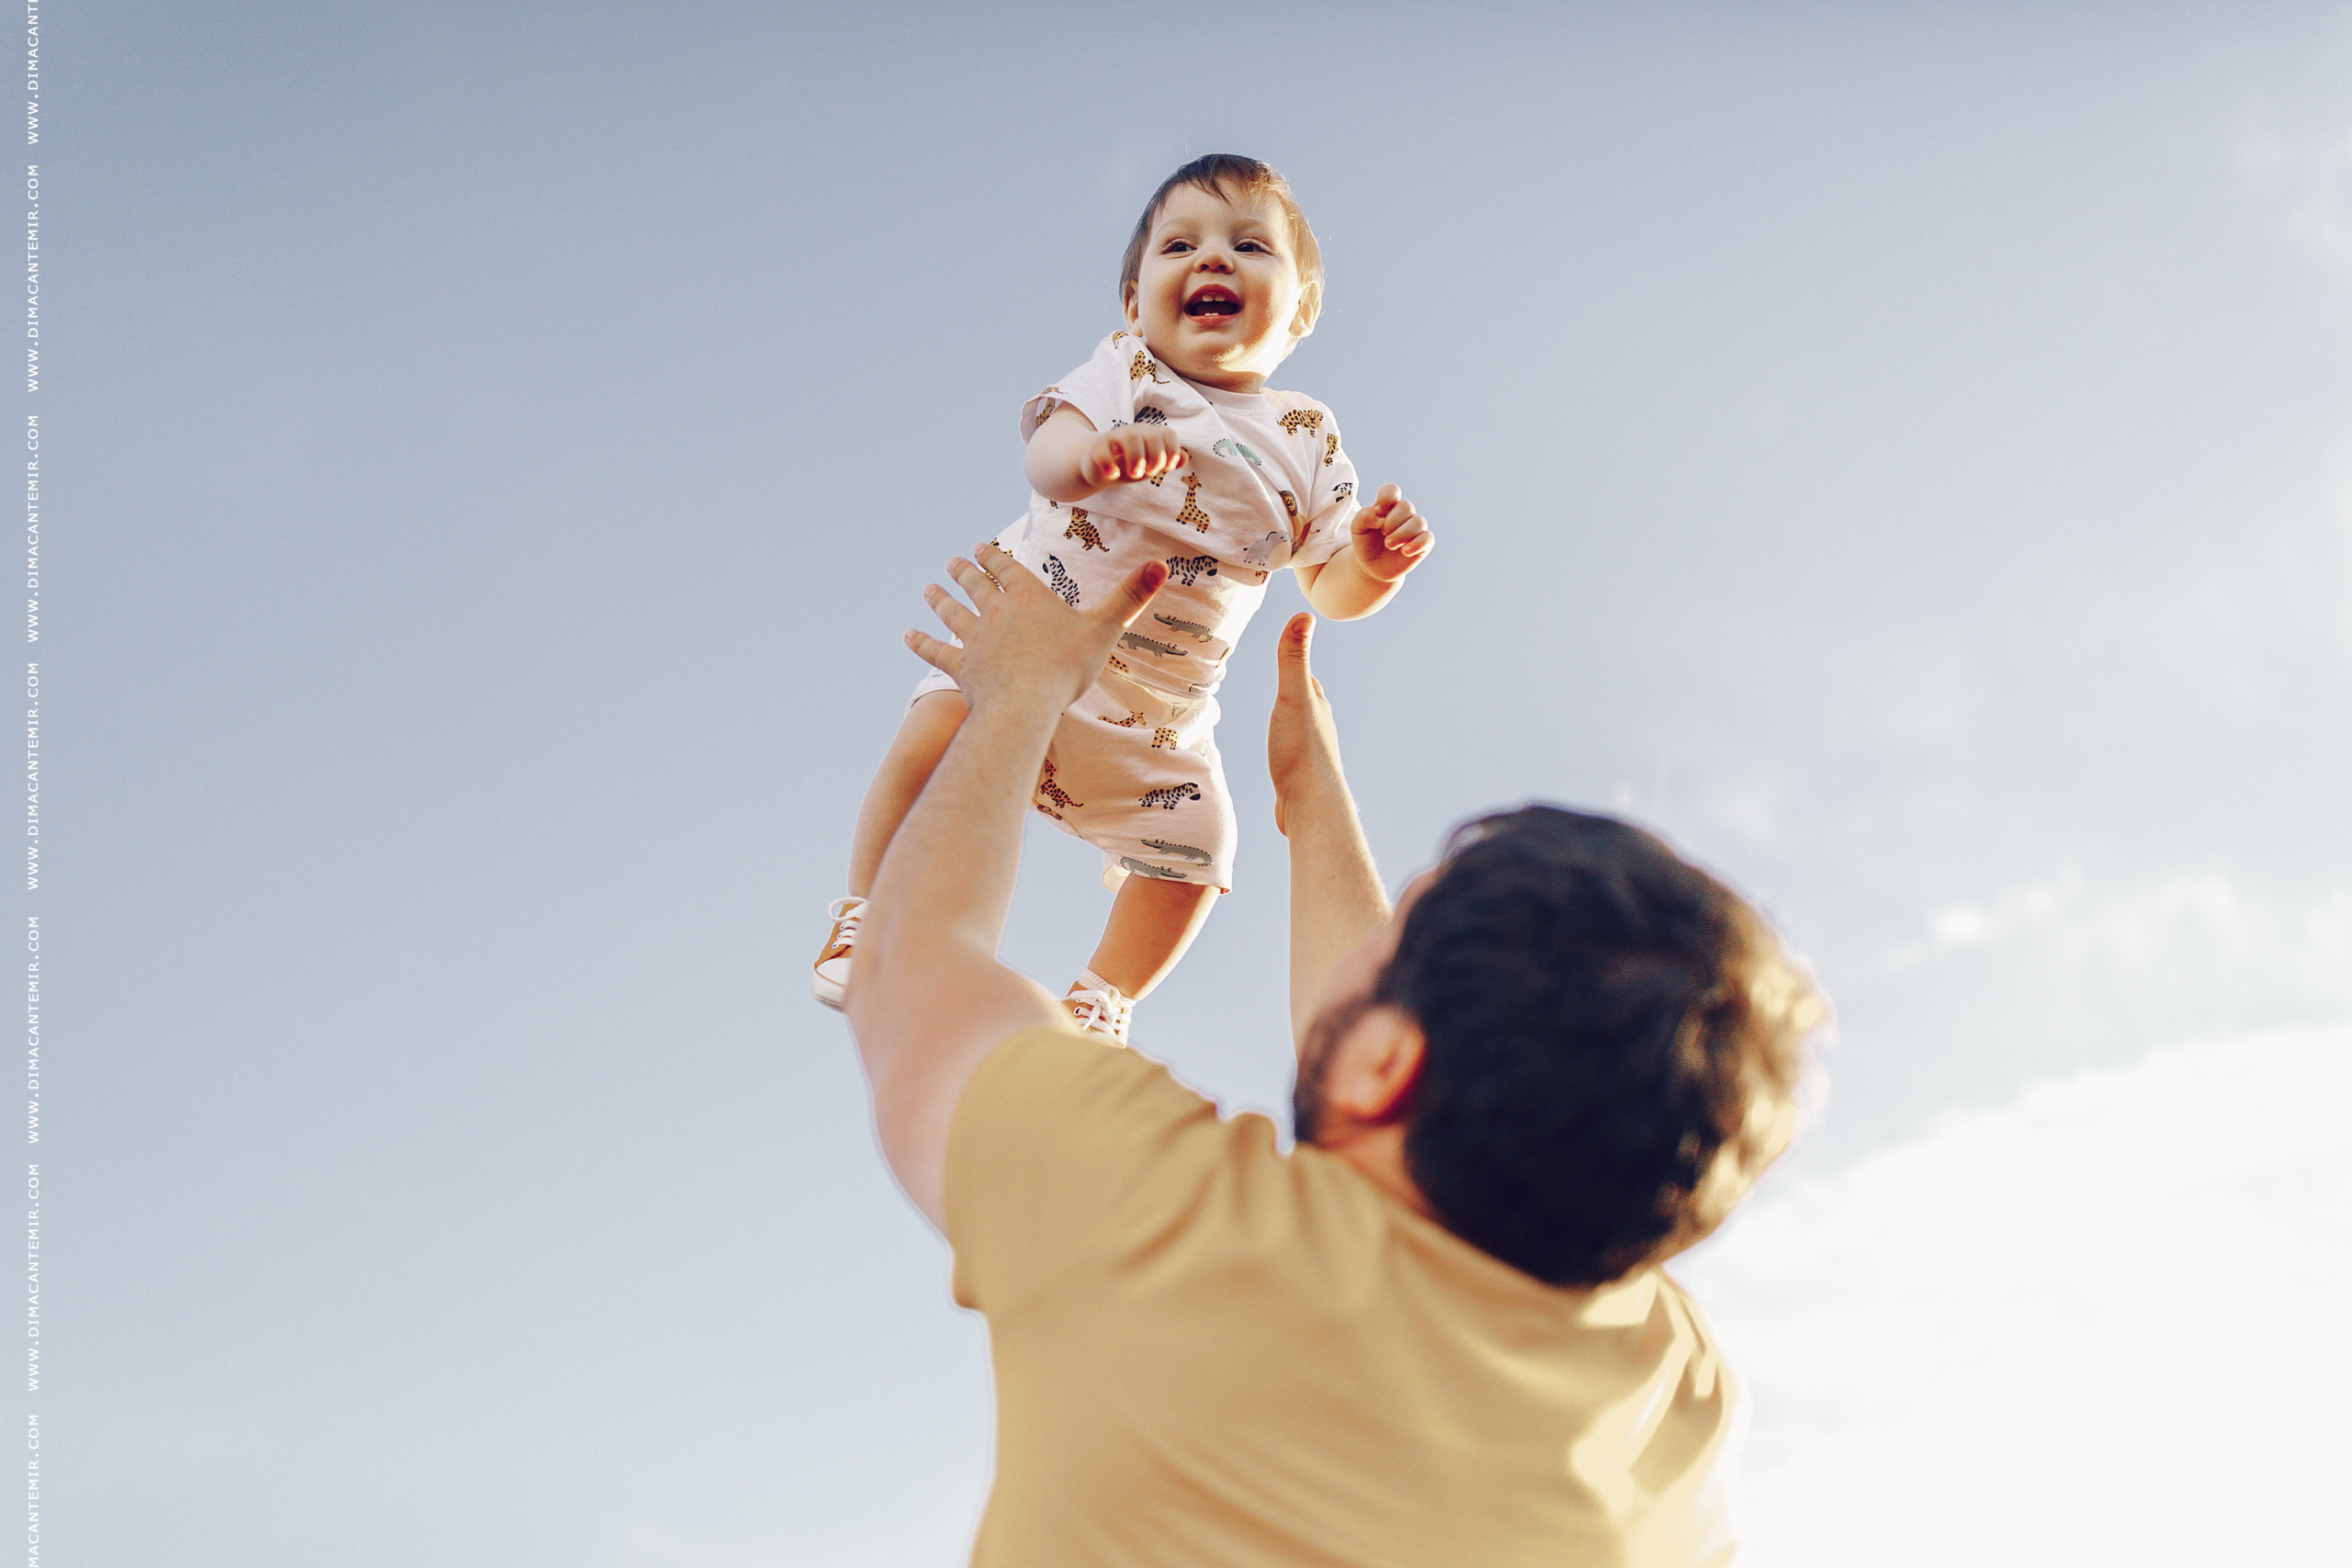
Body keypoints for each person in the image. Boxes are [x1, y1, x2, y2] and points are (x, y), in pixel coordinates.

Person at [845, 542, 1829, 1566]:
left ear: (1387, 1066)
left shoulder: (1163, 1230)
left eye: (1388, 945)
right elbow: (1390, 1087)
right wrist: (1308, 797)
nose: (1359, 962)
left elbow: (909, 964)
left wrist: (1022, 689)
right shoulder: (1674, 1410)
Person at [814, 153, 1434, 1041]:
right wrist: (1089, 461)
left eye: (1249, 245)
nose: (1212, 259)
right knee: (930, 734)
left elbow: (1329, 588)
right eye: (1180, 243)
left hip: (1158, 711)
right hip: (1029, 630)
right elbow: (1043, 456)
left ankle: (1103, 997)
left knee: (1202, 850)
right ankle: (866, 911)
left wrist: (1372, 563)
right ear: (1137, 304)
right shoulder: (1126, 374)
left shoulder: (1306, 439)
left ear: (1297, 311)